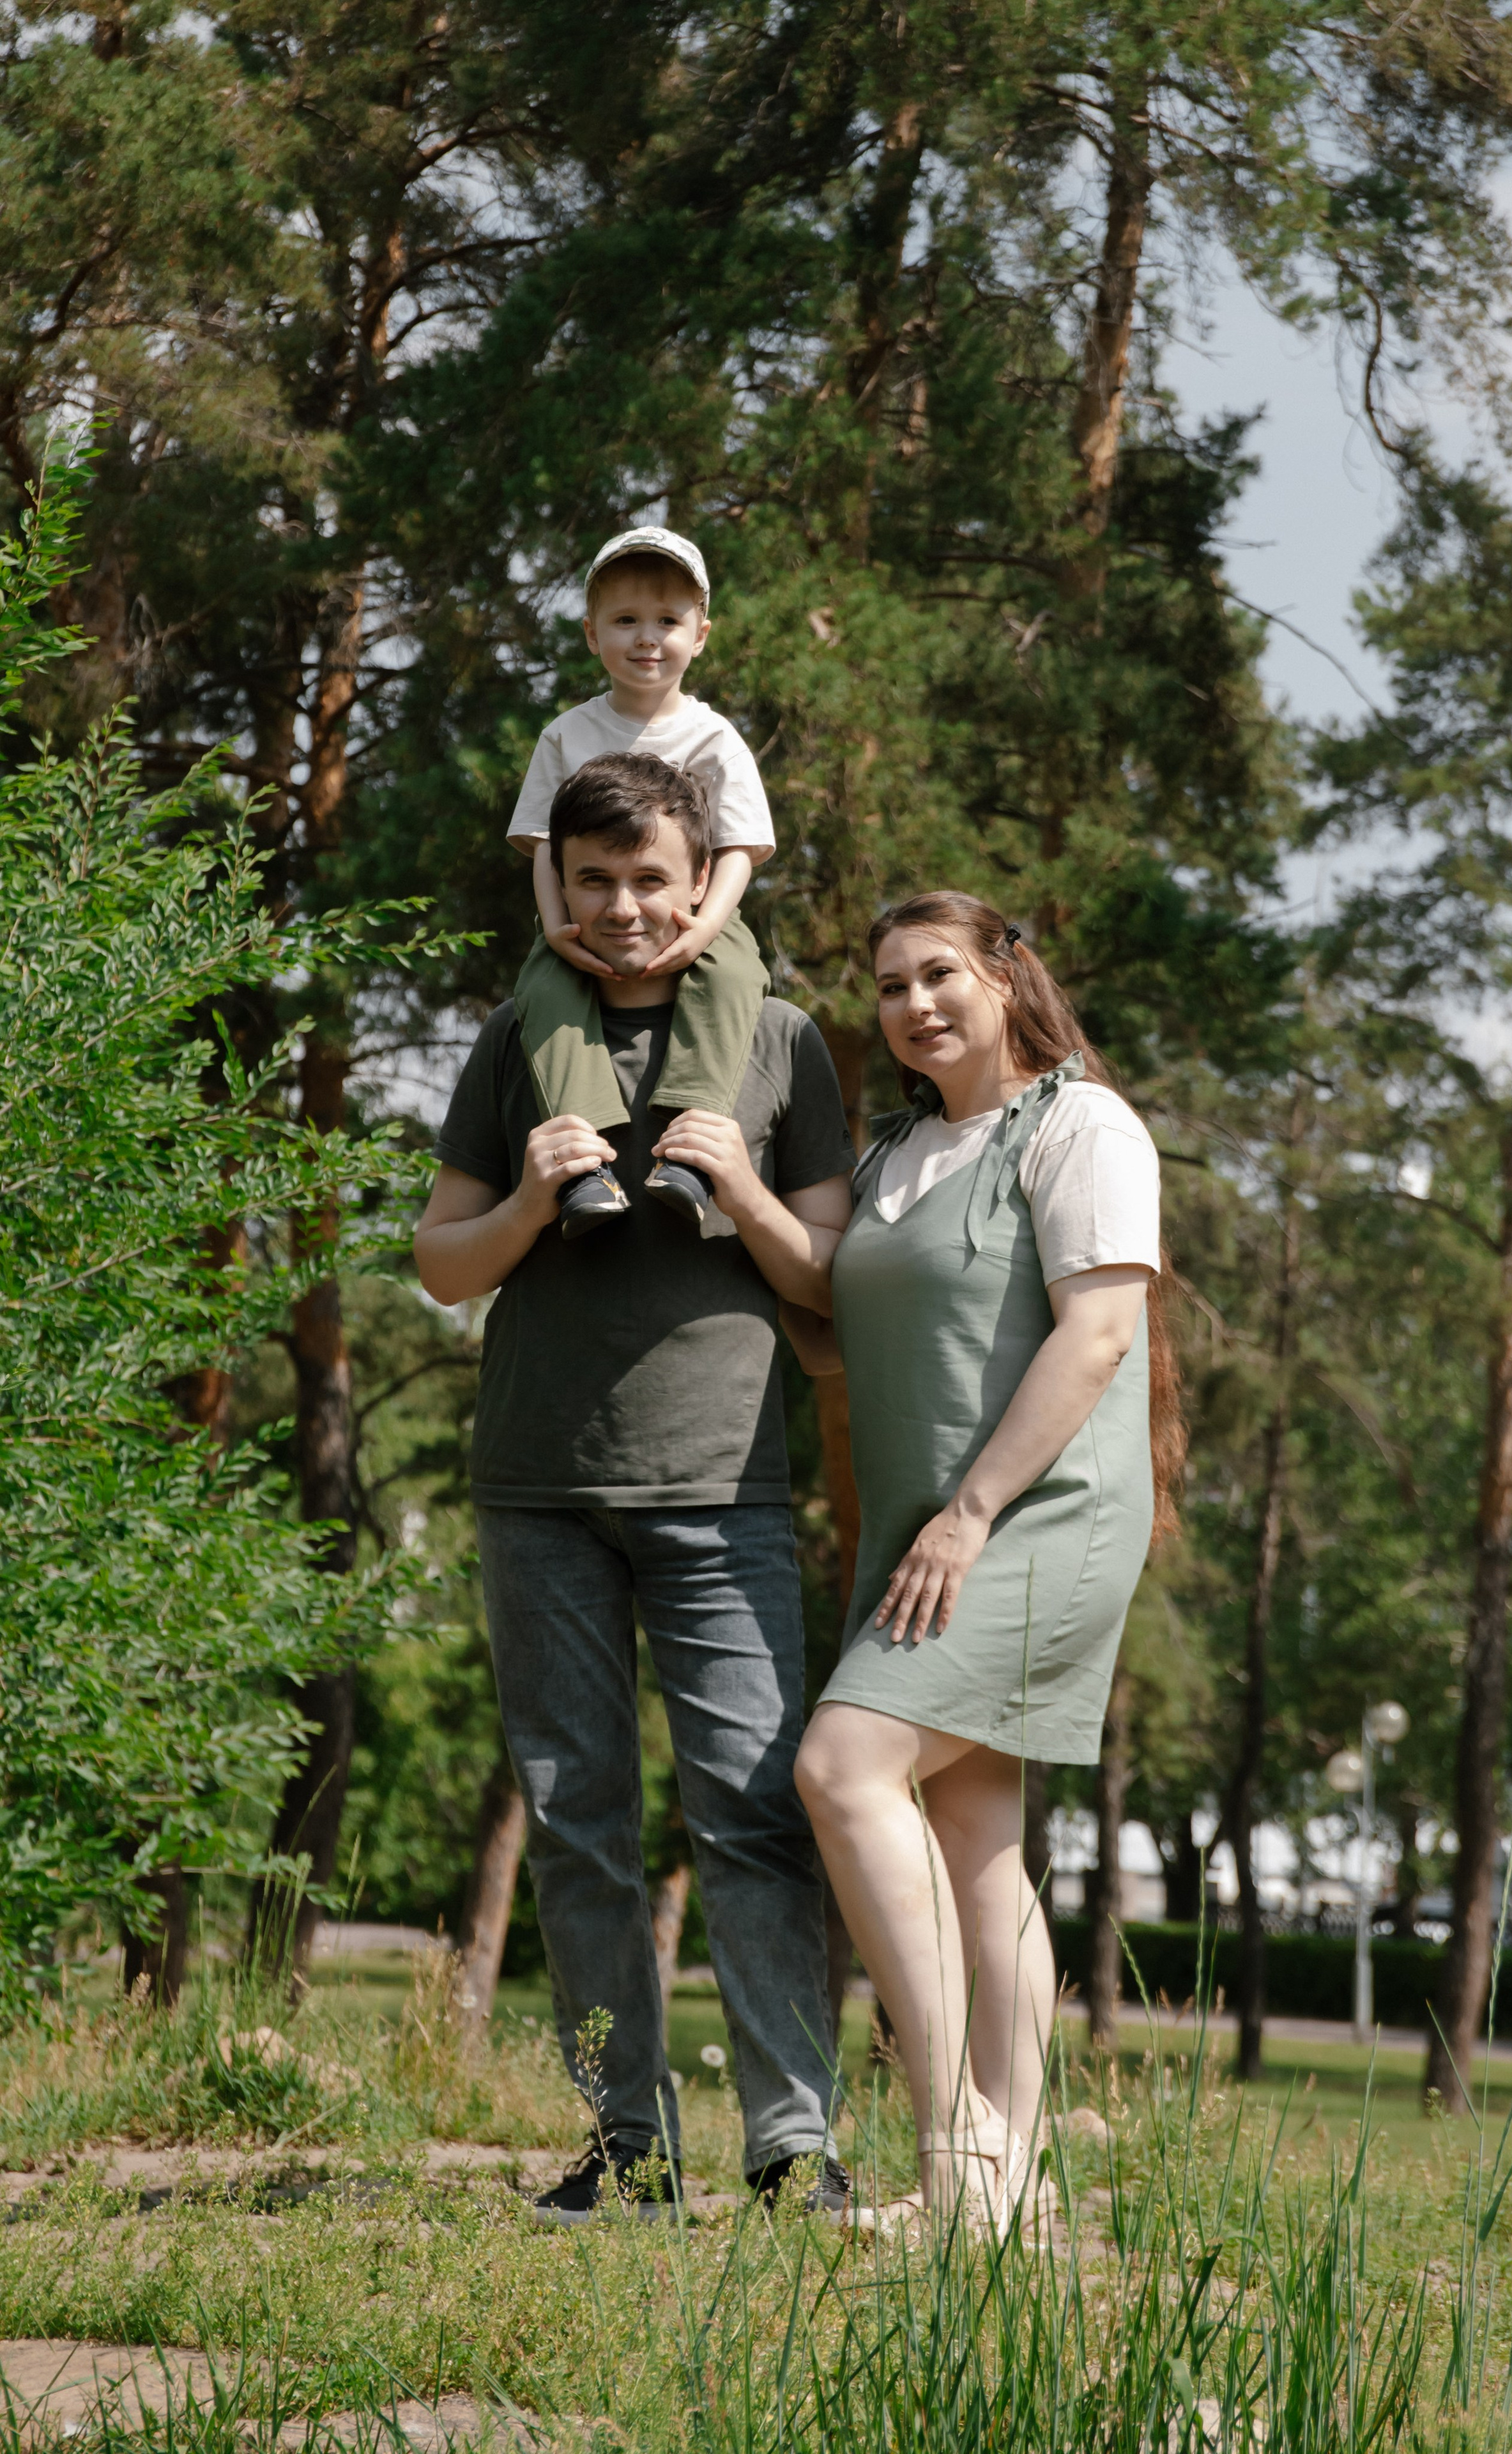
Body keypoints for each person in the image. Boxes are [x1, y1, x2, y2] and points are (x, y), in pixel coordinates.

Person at [414, 753, 857, 2224]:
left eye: (647, 878)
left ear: (697, 879)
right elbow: (440, 1266)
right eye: (593, 878)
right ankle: (625, 2140)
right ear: (565, 882)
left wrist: (736, 1187)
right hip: (536, 1488)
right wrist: (532, 1198)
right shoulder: (510, 1039)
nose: (620, 907)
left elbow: (827, 1287)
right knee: (578, 1819)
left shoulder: (782, 1042)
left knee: (752, 1813)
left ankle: (792, 2146)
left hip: (722, 1490)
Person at [791, 891, 1183, 2232]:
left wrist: (967, 1514)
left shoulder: (1082, 1125)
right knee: (968, 1836)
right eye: (890, 985)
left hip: (1034, 1515)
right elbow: (838, 1336)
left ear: (1006, 977)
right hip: (921, 1528)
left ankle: (952, 2133)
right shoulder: (893, 1149)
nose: (913, 1005)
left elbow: (1096, 1339)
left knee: (841, 1768)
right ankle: (997, 2197)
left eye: (939, 973)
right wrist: (728, 1196)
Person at [505, 525, 774, 1234]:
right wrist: (555, 929)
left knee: (736, 977)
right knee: (543, 991)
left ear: (701, 634)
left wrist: (705, 929)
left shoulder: (713, 737)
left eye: (667, 621)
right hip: (582, 914)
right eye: (626, 621)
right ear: (593, 635)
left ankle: (691, 1144)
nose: (647, 638)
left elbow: (741, 847)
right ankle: (585, 1164)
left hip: (694, 912)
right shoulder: (567, 734)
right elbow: (540, 842)